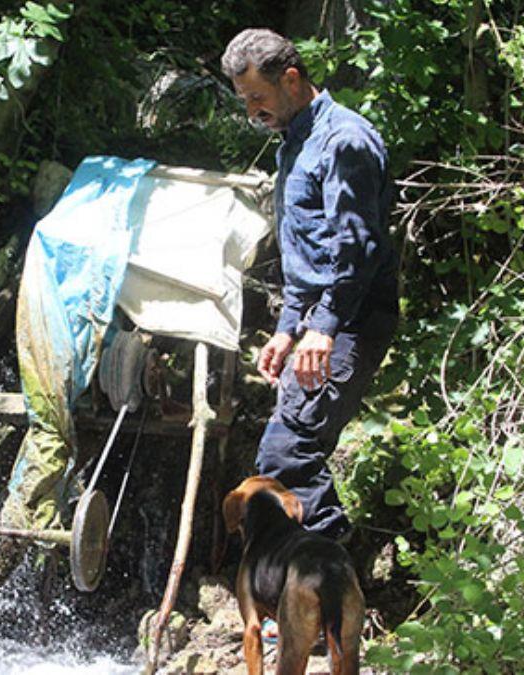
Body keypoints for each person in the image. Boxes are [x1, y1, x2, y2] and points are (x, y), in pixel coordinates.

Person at [222, 28, 399, 544]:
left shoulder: (344, 139)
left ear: (292, 79)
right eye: (244, 101)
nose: (252, 111)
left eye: (258, 97)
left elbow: (356, 246)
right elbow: (307, 251)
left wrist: (321, 328)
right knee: (283, 451)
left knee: (288, 450)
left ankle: (329, 576)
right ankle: (307, 593)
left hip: (352, 318)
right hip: (321, 318)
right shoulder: (293, 143)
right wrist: (286, 329)